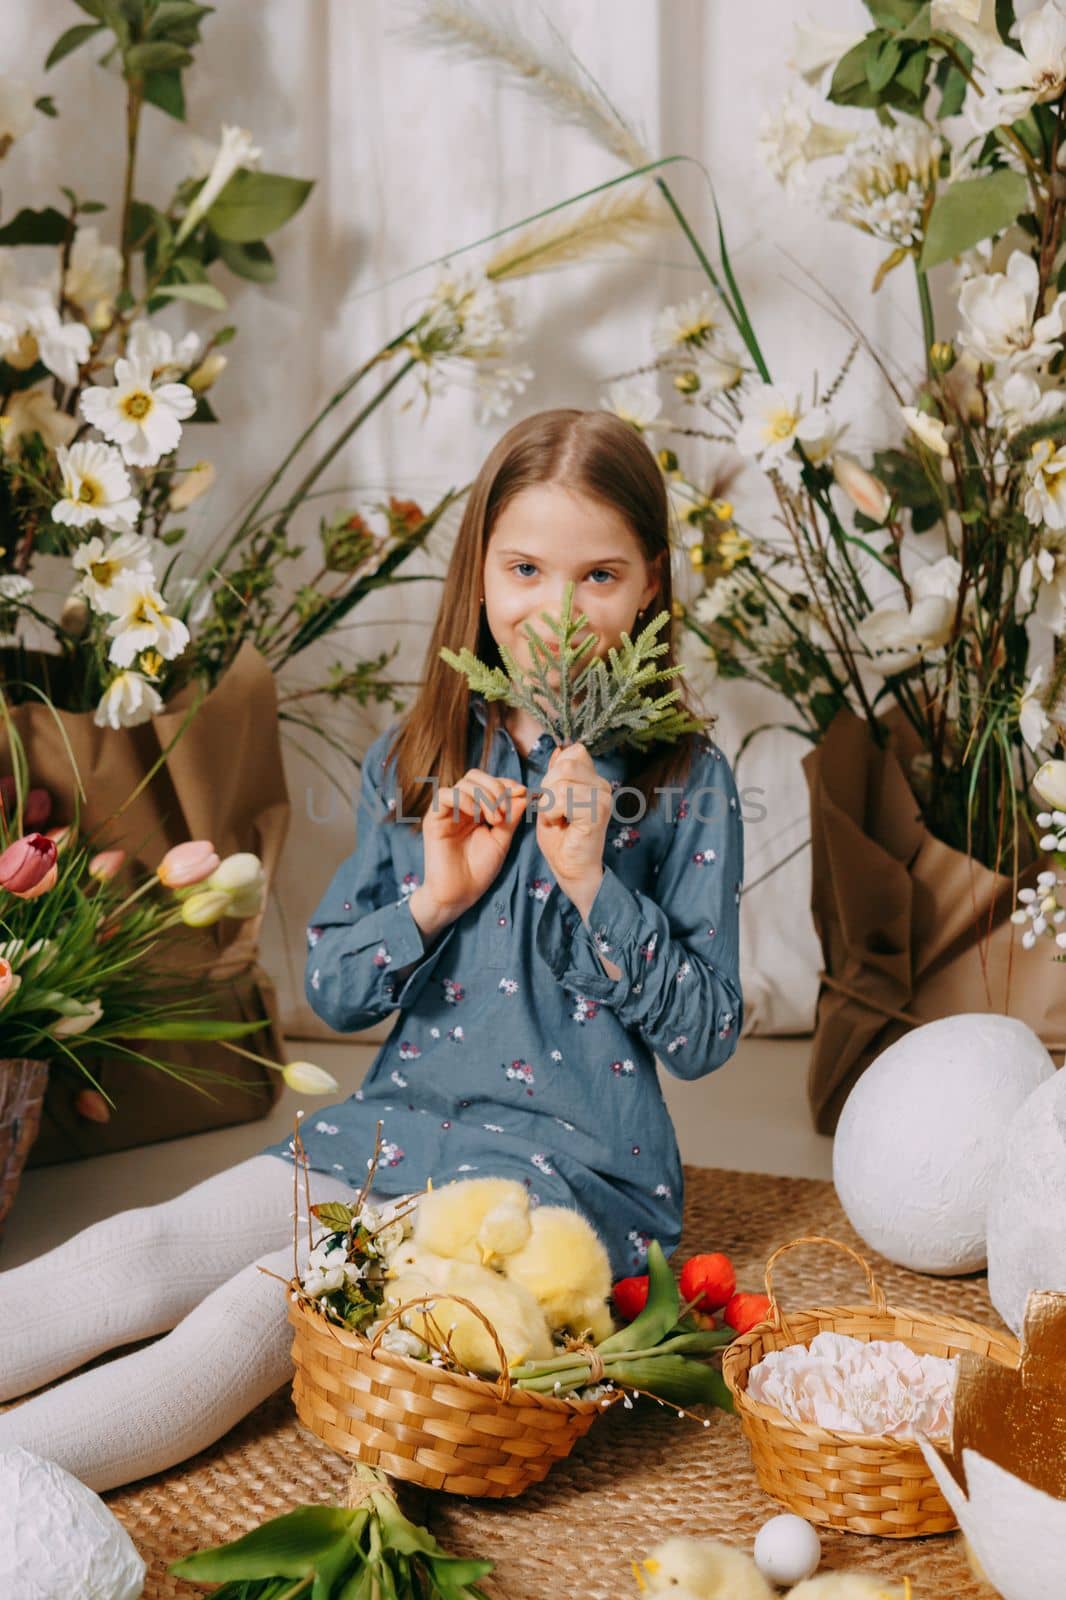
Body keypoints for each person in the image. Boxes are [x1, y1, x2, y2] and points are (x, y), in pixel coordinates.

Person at [0, 408, 743, 1491]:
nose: (558, 612)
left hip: (562, 1182)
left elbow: (707, 1034)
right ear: (478, 572)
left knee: (250, 1316)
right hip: (391, 1127)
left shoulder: (686, 780)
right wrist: (434, 901)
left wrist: (593, 885)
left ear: (650, 587)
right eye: (526, 568)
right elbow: (338, 990)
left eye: (600, 576)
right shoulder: (421, 755)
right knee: (136, 1254)